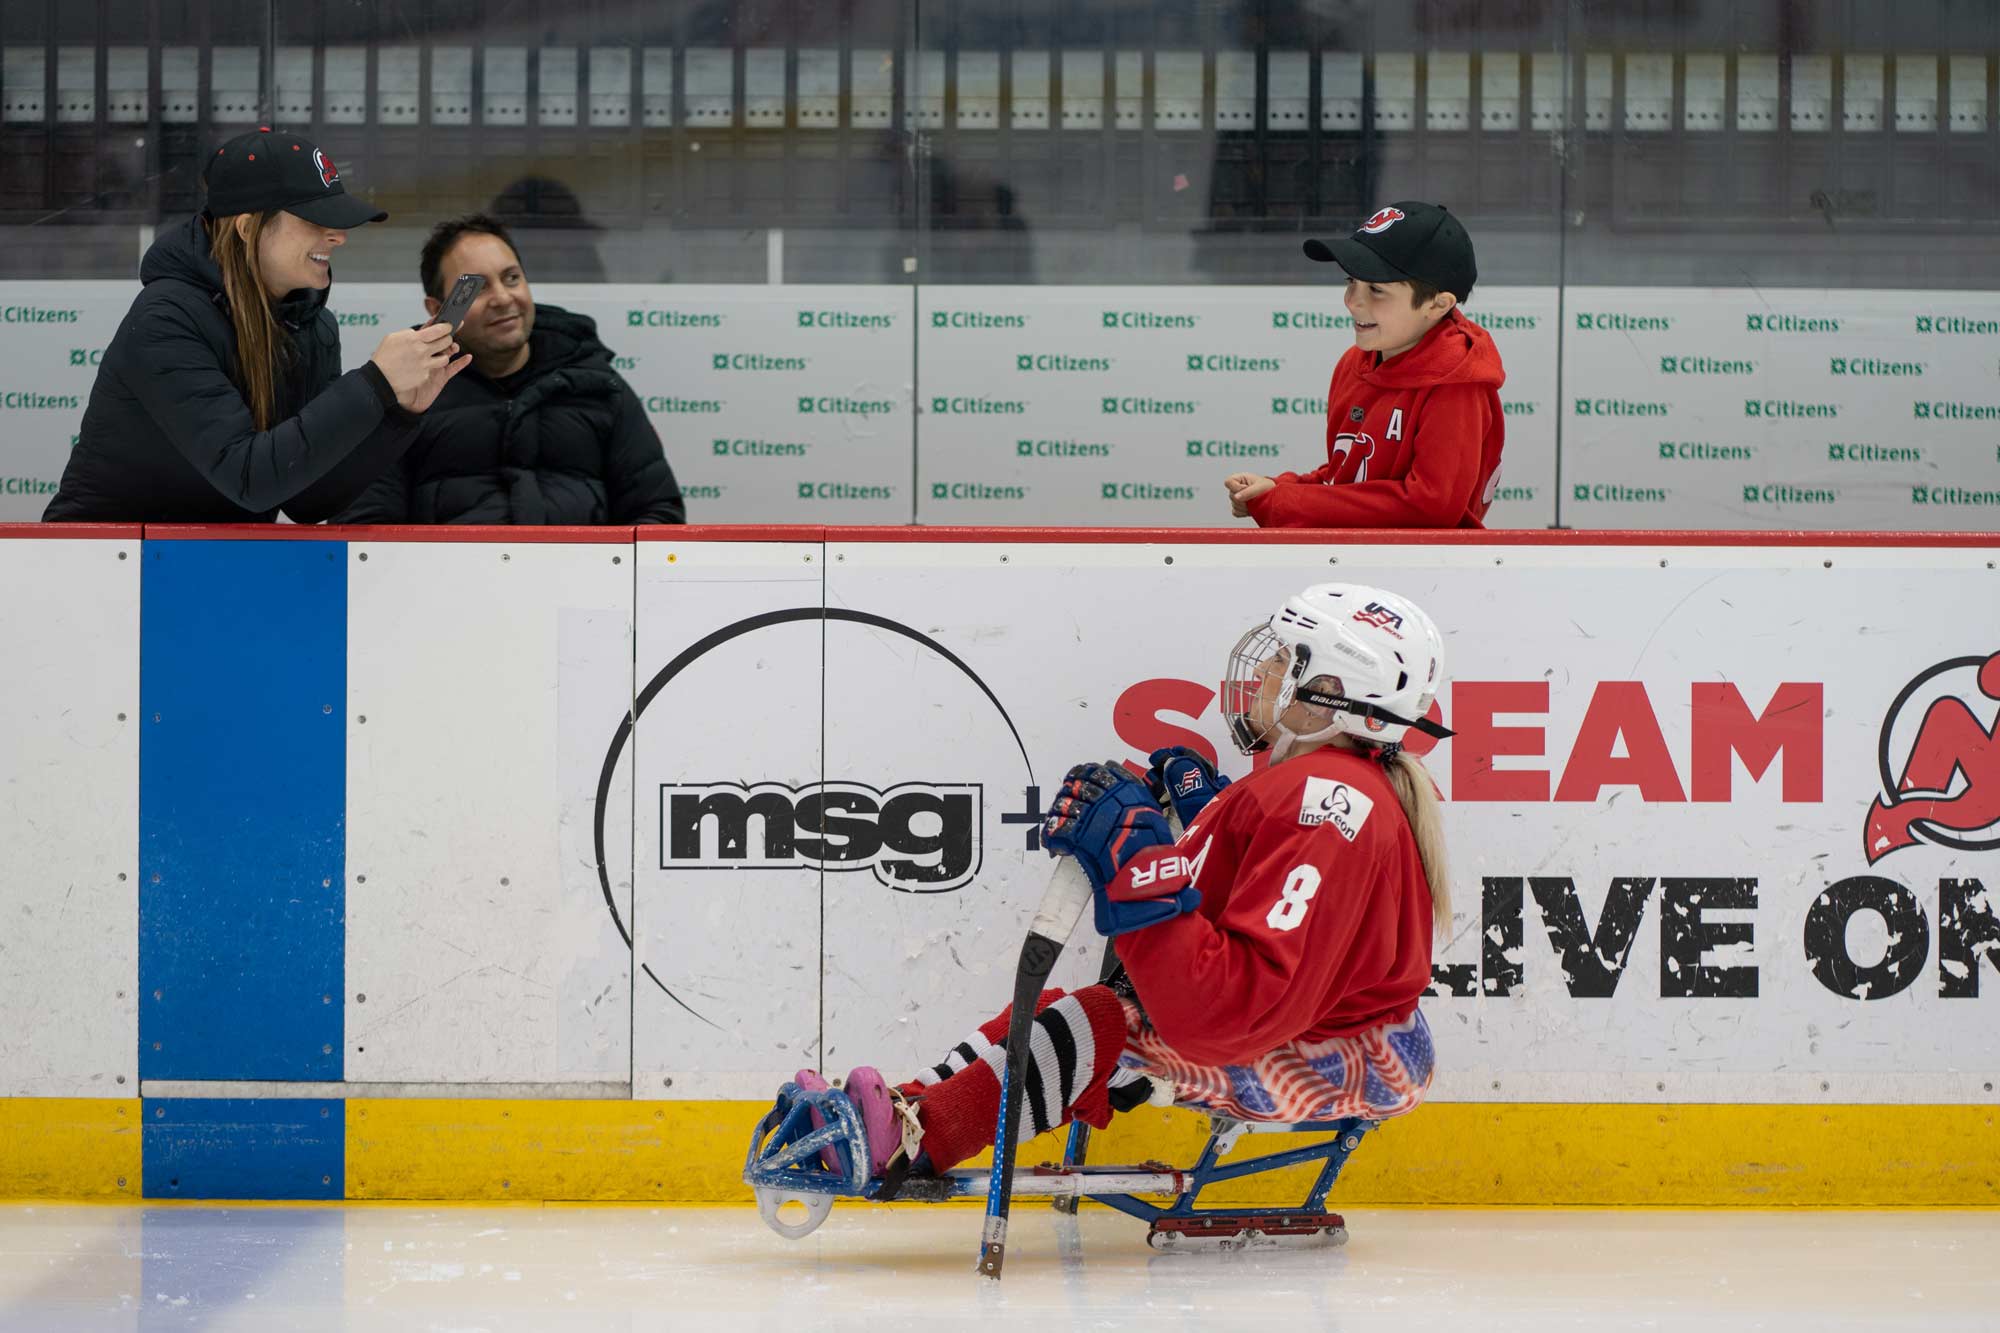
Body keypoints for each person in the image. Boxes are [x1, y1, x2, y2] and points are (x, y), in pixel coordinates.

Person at [780, 581, 1453, 1187]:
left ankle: (916, 1140)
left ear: (1328, 693)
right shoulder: (1324, 786)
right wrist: (1208, 816)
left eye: (1285, 658)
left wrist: (1137, 864)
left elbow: (1232, 1009)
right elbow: (1261, 909)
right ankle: (902, 1108)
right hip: (1329, 1031)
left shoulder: (1328, 802)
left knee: (1103, 1020)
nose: (1264, 671)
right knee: (1068, 1010)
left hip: (1349, 1056)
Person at [43, 128, 468, 522]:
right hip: (101, 559)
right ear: (247, 227)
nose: (339, 236)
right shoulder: (166, 318)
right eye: (315, 219)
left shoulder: (314, 326)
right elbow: (249, 476)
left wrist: (400, 411)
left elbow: (308, 500)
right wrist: (374, 383)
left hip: (217, 561)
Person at [331, 214, 685, 525]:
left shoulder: (599, 385)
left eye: (512, 278)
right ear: (437, 309)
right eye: (477, 288)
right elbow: (364, 529)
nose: (503, 298)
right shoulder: (405, 398)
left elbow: (658, 514)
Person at [1225, 201, 1507, 528]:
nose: (1352, 301)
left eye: (1375, 289)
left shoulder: (1456, 385)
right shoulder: (1354, 363)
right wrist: (1280, 488)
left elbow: (1429, 507)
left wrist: (1288, 502)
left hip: (1427, 561)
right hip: (1356, 555)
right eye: (1351, 282)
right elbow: (1347, 476)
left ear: (1437, 304)